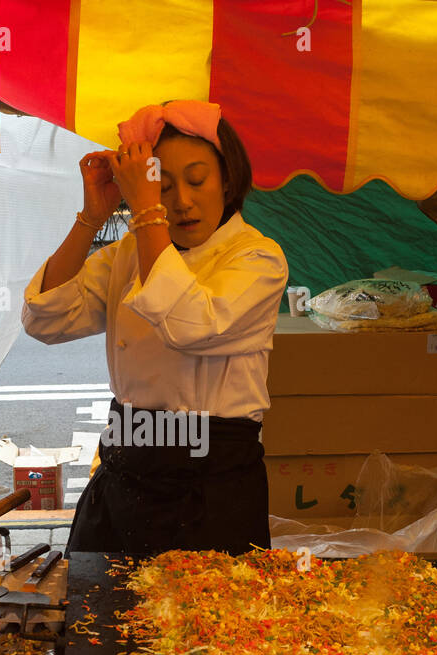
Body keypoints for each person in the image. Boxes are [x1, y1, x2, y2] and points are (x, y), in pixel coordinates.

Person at [21, 100, 288, 556]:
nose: (181, 201)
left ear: (228, 178)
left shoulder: (257, 258)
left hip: (209, 485)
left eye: (197, 180)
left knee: (199, 623)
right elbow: (46, 319)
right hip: (126, 466)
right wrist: (92, 218)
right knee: (99, 616)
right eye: (160, 188)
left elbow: (193, 325)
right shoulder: (129, 254)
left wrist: (147, 215)